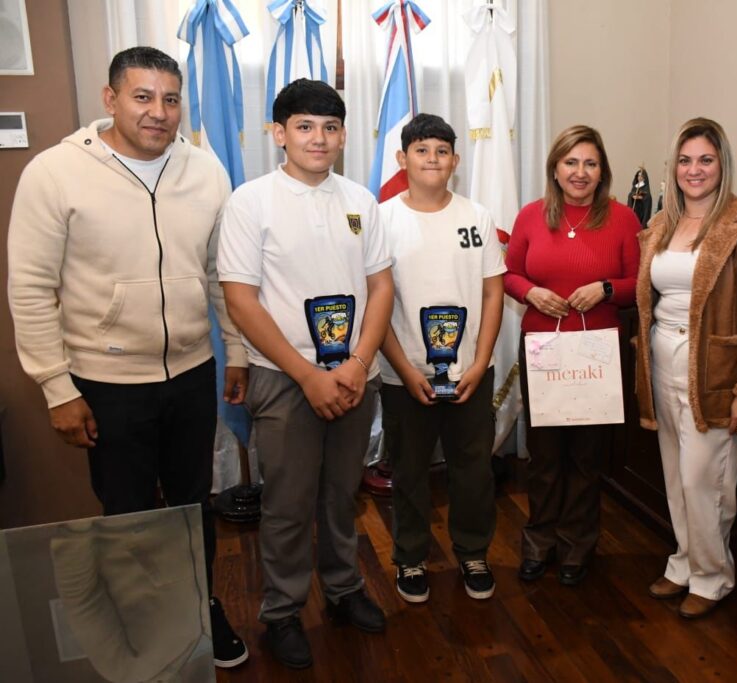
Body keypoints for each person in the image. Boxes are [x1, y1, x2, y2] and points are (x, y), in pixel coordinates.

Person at [7, 46, 248, 669]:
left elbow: (220, 272)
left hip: (192, 371)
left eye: (170, 99)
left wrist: (237, 349)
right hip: (106, 381)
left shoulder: (205, 171)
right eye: (142, 97)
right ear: (110, 99)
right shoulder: (55, 173)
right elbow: (30, 288)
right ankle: (145, 627)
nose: (158, 112)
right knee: (128, 514)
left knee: (194, 505)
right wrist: (57, 387)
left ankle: (199, 609)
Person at [217, 79, 394, 670]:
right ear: (279, 133)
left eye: (330, 127)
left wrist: (358, 364)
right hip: (283, 377)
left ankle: (343, 590)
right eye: (304, 126)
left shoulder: (360, 201)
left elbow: (381, 287)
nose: (319, 138)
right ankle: (282, 612)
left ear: (343, 136)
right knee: (288, 505)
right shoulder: (251, 202)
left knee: (341, 496)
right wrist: (307, 375)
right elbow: (240, 300)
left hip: (354, 376)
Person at [634, 118, 737, 618]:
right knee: (674, 473)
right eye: (685, 160)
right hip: (662, 357)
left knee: (704, 479)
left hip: (715, 367)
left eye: (705, 160)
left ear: (722, 165)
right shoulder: (661, 224)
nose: (694, 170)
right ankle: (685, 561)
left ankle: (713, 577)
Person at [504, 125, 641, 586]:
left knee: (586, 457)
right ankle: (538, 542)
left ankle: (578, 545)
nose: (580, 172)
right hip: (543, 349)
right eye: (571, 162)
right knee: (544, 456)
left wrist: (606, 289)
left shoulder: (623, 219)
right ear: (555, 168)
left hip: (596, 353)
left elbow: (639, 284)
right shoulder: (530, 216)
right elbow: (509, 274)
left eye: (590, 163)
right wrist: (532, 293)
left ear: (602, 172)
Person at [377, 113, 505, 603]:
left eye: (442, 151)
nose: (432, 159)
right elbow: (375, 302)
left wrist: (480, 361)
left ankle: (473, 552)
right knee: (409, 472)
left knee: (473, 470)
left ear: (455, 159)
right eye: (422, 150)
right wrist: (404, 369)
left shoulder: (477, 217)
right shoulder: (382, 220)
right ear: (402, 158)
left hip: (471, 371)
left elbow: (492, 294)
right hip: (404, 373)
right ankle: (410, 558)